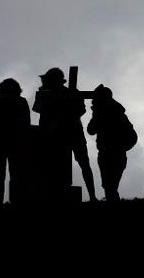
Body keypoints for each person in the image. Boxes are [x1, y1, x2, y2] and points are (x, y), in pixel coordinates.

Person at [32, 67, 97, 202]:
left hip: (73, 132)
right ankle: (57, 196)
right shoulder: (45, 93)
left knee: (84, 164)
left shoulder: (72, 92)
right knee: (58, 166)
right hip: (56, 135)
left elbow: (81, 110)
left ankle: (92, 196)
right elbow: (37, 109)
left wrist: (65, 116)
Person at [0, 78, 31, 205]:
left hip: (0, 141)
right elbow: (27, 124)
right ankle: (15, 202)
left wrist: (0, 123)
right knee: (14, 175)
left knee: (0, 175)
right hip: (13, 142)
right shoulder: (21, 101)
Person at [87, 84, 136, 202]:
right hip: (114, 153)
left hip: (111, 153)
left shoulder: (105, 113)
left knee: (109, 186)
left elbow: (91, 130)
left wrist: (96, 114)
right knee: (110, 186)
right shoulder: (118, 112)